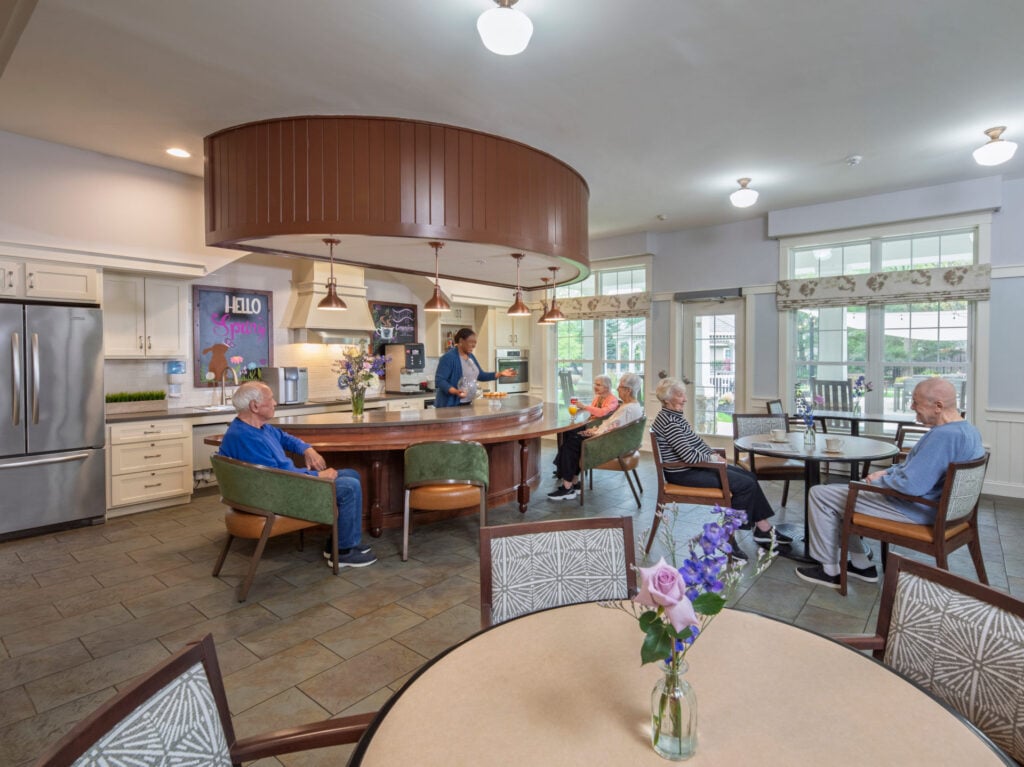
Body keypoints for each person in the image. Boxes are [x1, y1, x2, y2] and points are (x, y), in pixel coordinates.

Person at [796, 377, 984, 588]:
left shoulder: (943, 437)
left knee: (821, 494)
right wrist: (887, 472)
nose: (912, 407)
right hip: (944, 510)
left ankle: (829, 570)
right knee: (842, 496)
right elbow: (918, 470)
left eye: (916, 402)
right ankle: (861, 564)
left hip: (916, 509)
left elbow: (912, 486)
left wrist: (881, 480)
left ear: (938, 406)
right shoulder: (967, 431)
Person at [218, 381, 376, 568]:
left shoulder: (259, 427)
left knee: (351, 474)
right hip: (272, 496)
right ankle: (342, 554)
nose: (275, 402)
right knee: (349, 486)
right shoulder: (245, 438)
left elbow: (286, 438)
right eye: (271, 399)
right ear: (255, 406)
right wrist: (318, 476)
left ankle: (339, 543)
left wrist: (307, 449)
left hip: (279, 486)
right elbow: (277, 476)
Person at [651, 378, 792, 557]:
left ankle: (763, 528)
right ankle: (728, 537)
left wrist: (712, 454)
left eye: (684, 394)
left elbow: (696, 442)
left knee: (749, 478)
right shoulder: (670, 422)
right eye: (680, 395)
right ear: (666, 400)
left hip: (691, 467)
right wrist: (711, 458)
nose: (685, 399)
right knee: (744, 485)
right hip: (683, 473)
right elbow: (688, 456)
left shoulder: (675, 417)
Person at [548, 373, 644, 501]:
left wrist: (594, 433)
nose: (617, 389)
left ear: (628, 390)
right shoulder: (633, 406)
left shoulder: (628, 409)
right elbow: (613, 427)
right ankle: (574, 483)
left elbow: (613, 429)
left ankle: (567, 488)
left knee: (571, 443)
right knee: (574, 438)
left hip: (612, 445)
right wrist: (595, 430)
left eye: (620, 386)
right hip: (615, 441)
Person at [433, 327, 515, 407]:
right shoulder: (448, 358)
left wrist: (500, 374)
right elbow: (439, 380)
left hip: (467, 403)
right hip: (451, 405)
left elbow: (481, 375)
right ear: (461, 341)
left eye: (475, 342)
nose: (474, 345)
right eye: (471, 342)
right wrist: (455, 391)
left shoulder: (470, 356)